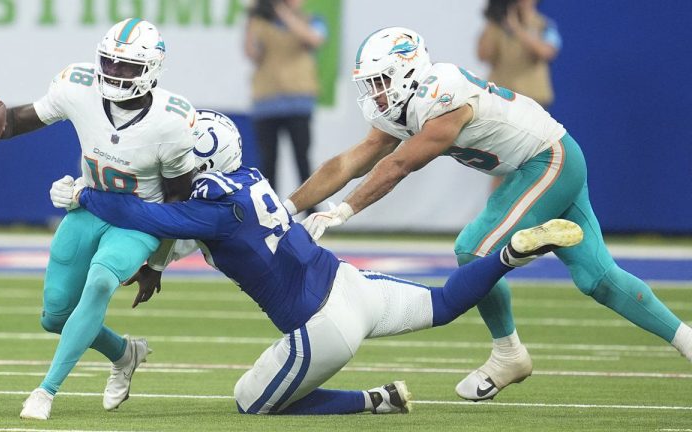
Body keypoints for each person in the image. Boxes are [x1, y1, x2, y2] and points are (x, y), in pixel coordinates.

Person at [49, 109, 584, 415]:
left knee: (249, 403)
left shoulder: (213, 210)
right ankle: (510, 254)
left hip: (321, 325)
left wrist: (84, 196)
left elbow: (148, 217)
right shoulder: (252, 180)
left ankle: (373, 401)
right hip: (349, 281)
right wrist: (158, 263)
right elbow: (184, 230)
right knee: (444, 302)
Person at [284, 27, 692, 401]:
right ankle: (688, 341)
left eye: (381, 81)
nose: (375, 93)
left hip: (549, 161)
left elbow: (399, 165)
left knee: (474, 248)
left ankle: (507, 353)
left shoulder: (440, 93)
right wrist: (287, 206)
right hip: (542, 164)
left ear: (409, 70)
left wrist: (343, 211)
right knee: (598, 279)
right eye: (371, 84)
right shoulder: (406, 104)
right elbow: (348, 161)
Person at [0, 18, 199, 419]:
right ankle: (126, 353)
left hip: (138, 221)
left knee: (101, 280)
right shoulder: (78, 85)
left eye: (127, 66)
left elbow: (179, 201)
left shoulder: (173, 121)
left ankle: (45, 390)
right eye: (110, 62)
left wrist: (156, 264)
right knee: (55, 317)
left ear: (152, 69)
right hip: (88, 207)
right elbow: (22, 120)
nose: (115, 73)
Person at [244, 0, 325, 201]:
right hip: (266, 102)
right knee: (268, 163)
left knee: (302, 160)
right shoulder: (261, 22)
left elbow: (314, 39)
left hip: (298, 101)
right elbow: (252, 54)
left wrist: (283, 13)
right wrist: (251, 18)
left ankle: (311, 210)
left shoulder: (311, 19)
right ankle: (269, 212)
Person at [478, 0, 561, 190]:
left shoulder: (544, 25)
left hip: (533, 100)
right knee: (502, 161)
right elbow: (483, 55)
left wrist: (518, 29)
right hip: (503, 101)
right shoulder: (498, 26)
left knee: (533, 161)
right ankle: (498, 214)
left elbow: (546, 51)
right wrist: (493, 22)